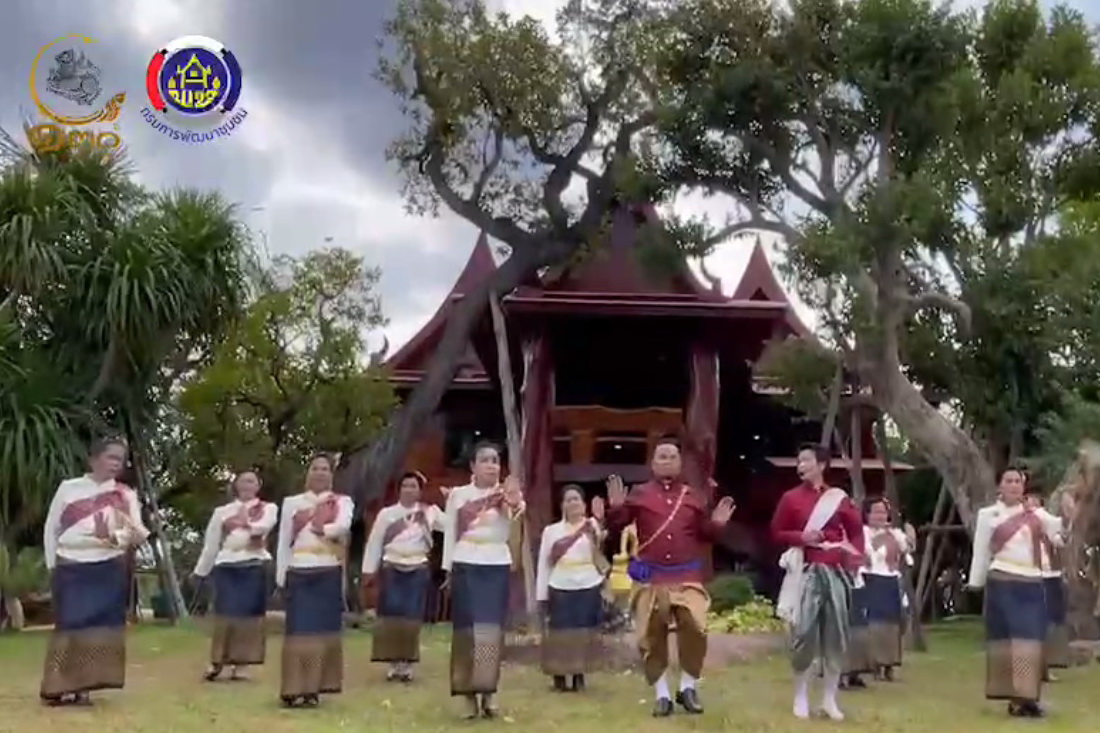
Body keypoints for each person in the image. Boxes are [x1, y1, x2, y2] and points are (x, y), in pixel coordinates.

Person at [604, 437, 735, 717]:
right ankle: (662, 694)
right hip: (651, 577)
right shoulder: (639, 494)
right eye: (661, 456)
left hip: (687, 575)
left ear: (680, 463)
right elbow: (616, 531)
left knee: (696, 627)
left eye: (672, 456)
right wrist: (615, 509)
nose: (666, 461)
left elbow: (705, 534)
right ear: (652, 464)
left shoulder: (693, 496)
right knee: (651, 636)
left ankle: (688, 687)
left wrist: (718, 525)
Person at [40, 437, 150, 706]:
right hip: (71, 563)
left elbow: (137, 533)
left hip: (108, 566)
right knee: (70, 625)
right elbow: (51, 528)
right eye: (111, 457)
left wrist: (111, 536)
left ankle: (84, 687)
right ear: (94, 459)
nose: (116, 464)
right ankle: (59, 686)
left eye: (120, 459)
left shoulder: (125, 494)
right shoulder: (69, 488)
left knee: (98, 628)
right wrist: (52, 564)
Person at [771, 443, 864, 721]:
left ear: (822, 465)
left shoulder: (838, 498)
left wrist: (854, 560)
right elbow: (776, 532)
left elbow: (856, 531)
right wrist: (802, 538)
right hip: (806, 571)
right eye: (799, 461)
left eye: (807, 461)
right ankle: (800, 696)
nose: (801, 466)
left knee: (836, 636)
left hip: (835, 571)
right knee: (804, 634)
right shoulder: (790, 498)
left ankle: (829, 700)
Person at [968, 467, 1062, 718]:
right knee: (1008, 642)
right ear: (1000, 486)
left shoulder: (1037, 515)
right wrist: (975, 583)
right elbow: (981, 551)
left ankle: (1028, 697)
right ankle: (1016, 699)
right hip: (1002, 580)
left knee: (1030, 641)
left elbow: (1060, 534)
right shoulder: (989, 515)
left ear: (1023, 486)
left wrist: (1073, 511)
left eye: (1018, 481)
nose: (1013, 485)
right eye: (1008, 481)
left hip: (1031, 582)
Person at [441, 442, 526, 719]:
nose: (492, 465)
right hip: (466, 563)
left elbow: (515, 513)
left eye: (495, 460)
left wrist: (512, 501)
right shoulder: (459, 496)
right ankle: (467, 695)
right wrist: (448, 568)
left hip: (495, 565)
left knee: (490, 632)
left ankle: (489, 693)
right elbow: (450, 533)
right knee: (467, 632)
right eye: (485, 460)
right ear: (473, 467)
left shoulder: (507, 495)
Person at [275, 453, 354, 708]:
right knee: (299, 631)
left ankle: (314, 689)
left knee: (321, 631)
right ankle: (293, 688)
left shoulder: (342, 501)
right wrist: (281, 575)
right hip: (299, 569)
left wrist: (322, 527)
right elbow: (284, 540)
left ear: (331, 475)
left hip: (327, 569)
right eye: (315, 468)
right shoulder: (292, 503)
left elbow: (343, 526)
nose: (320, 472)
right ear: (308, 473)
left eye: (325, 469)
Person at [192, 470, 278, 682]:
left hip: (255, 563)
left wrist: (244, 524)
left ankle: (242, 664)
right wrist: (200, 571)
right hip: (226, 565)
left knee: (249, 615)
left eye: (251, 481)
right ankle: (217, 661)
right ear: (236, 485)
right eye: (243, 481)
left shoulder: (268, 508)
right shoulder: (222, 512)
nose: (247, 485)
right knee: (225, 612)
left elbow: (264, 527)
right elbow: (211, 544)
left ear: (258, 485)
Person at [361, 470, 446, 682]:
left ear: (420, 490)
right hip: (392, 566)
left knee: (411, 615)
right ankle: (393, 662)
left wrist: (452, 500)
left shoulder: (429, 512)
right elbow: (374, 543)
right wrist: (368, 570)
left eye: (413, 486)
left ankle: (407, 664)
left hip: (417, 567)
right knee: (392, 613)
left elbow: (454, 525)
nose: (409, 489)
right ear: (399, 489)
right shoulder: (387, 514)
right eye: (405, 485)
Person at [535, 484, 609, 692]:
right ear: (562, 506)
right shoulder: (552, 531)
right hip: (560, 584)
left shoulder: (592, 526)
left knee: (583, 632)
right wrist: (541, 595)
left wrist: (600, 521)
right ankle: (559, 675)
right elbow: (544, 563)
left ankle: (579, 674)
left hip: (587, 583)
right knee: (560, 632)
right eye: (568, 500)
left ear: (584, 504)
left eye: (576, 499)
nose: (573, 503)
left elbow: (601, 550)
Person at [861, 497, 912, 682]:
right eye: (876, 511)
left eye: (883, 512)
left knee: (893, 624)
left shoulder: (895, 534)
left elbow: (906, 555)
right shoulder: (862, 534)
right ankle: (873, 662)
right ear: (867, 514)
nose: (880, 516)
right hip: (870, 579)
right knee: (873, 623)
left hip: (890, 580)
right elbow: (864, 556)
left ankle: (890, 664)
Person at [1025, 490, 1070, 682]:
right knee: (1035, 623)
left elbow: (1062, 540)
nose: (1033, 507)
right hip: (1032, 576)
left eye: (1036, 503)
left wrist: (1069, 520)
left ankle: (1045, 665)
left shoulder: (1049, 530)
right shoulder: (1022, 528)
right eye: (1028, 502)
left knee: (1051, 623)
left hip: (1050, 576)